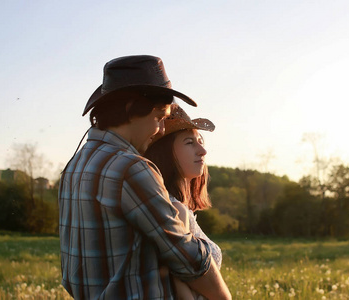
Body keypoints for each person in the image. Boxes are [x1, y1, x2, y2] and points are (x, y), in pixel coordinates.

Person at [58, 55, 231, 299]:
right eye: (159, 118)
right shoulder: (130, 168)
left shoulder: (74, 166)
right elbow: (186, 258)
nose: (160, 129)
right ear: (131, 110)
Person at [144, 104, 222, 299]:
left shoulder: (177, 206)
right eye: (189, 142)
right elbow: (179, 289)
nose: (202, 150)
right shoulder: (176, 210)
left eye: (200, 141)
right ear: (165, 152)